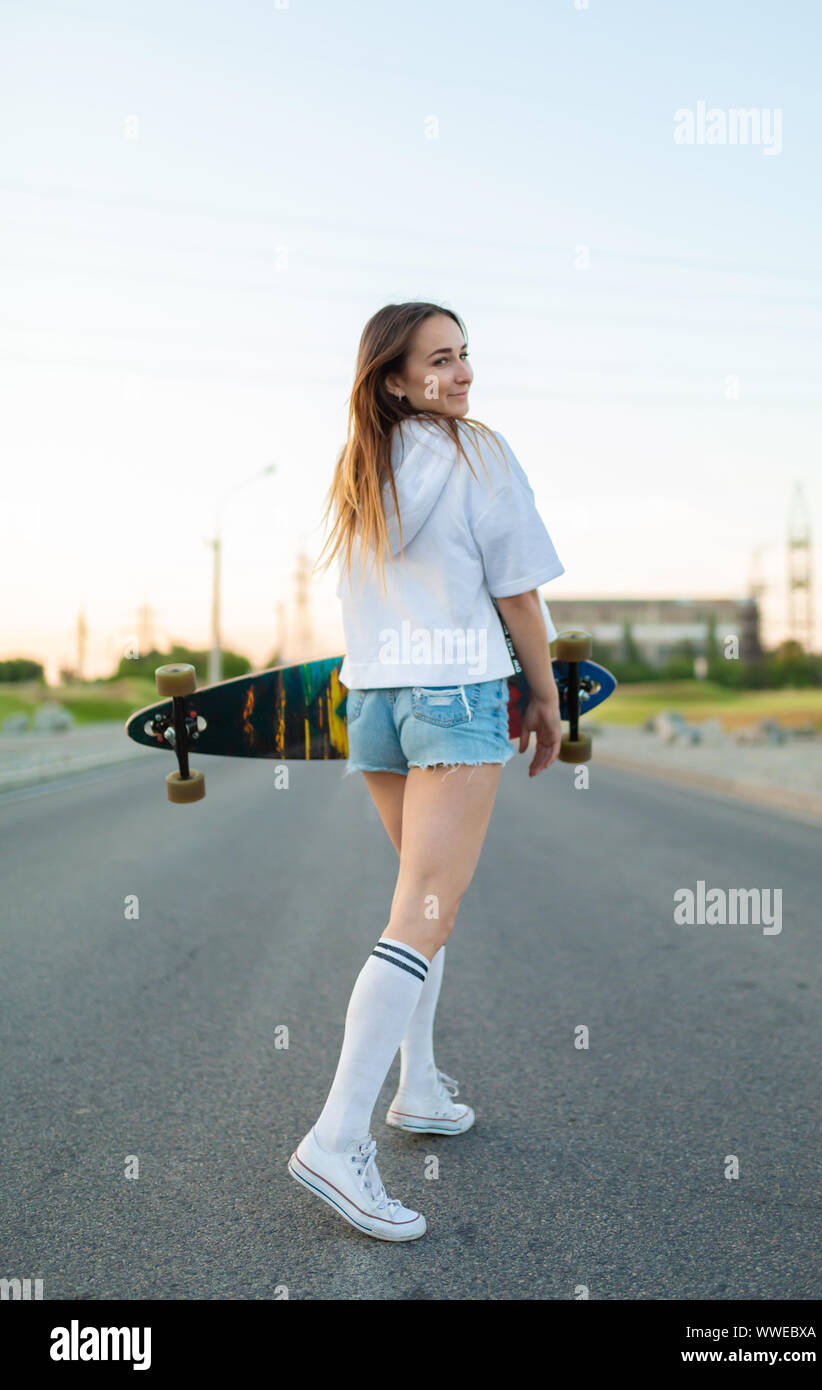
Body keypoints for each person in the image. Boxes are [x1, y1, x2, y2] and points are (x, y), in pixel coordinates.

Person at [288, 301, 565, 1240]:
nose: (464, 375)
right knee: (424, 914)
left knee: (418, 903)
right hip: (455, 695)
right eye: (439, 361)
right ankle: (335, 1138)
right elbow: (517, 589)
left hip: (373, 705)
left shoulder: (359, 470)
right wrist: (546, 696)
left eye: (465, 355)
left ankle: (422, 1087)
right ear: (396, 379)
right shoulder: (477, 451)